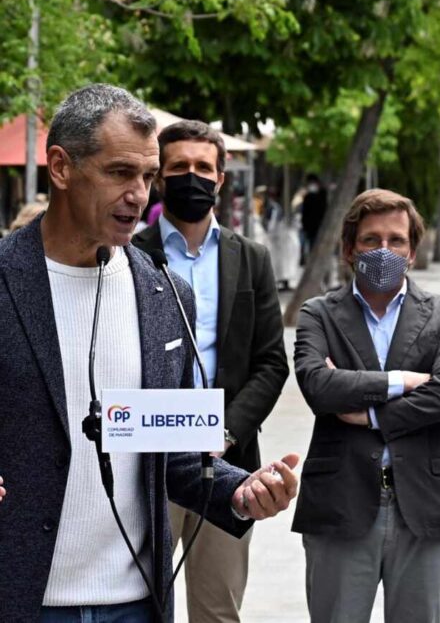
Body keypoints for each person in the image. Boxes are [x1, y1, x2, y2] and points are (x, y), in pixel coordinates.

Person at [0, 84, 299, 622]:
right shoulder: (3, 277)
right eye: (119, 173)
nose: (139, 194)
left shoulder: (163, 293)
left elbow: (174, 453)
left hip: (136, 601)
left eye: (146, 176)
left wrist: (239, 490)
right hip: (22, 597)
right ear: (62, 168)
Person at [133, 119, 289, 623]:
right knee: (138, 603)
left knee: (217, 609)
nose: (191, 176)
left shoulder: (252, 259)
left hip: (225, 463)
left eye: (204, 167)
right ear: (159, 176)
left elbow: (270, 362)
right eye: (178, 167)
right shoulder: (129, 253)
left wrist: (224, 432)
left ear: (221, 178)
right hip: (145, 457)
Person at [292, 188, 440, 623]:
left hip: (426, 504)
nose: (384, 250)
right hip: (340, 501)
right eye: (372, 240)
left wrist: (371, 412)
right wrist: (403, 382)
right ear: (350, 248)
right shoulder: (318, 313)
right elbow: (318, 387)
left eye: (396, 240)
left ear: (412, 251)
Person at [300, 173, 327, 260]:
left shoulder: (322, 194)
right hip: (309, 227)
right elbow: (304, 213)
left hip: (318, 226)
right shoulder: (307, 196)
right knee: (309, 245)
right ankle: (304, 257)